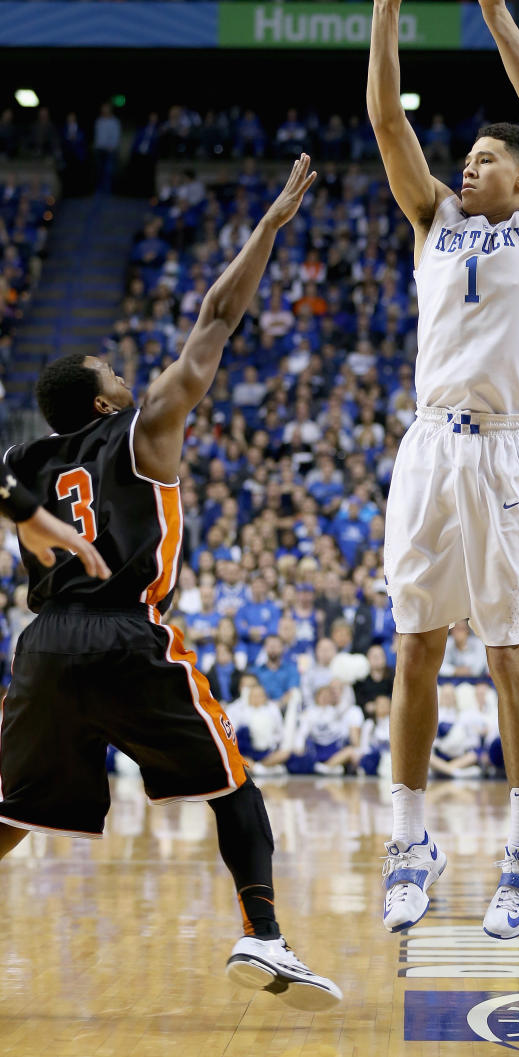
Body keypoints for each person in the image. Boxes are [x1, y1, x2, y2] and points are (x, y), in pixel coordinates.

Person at [0, 155, 342, 1011]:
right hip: (125, 632)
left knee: (12, 810)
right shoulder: (144, 428)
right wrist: (268, 226)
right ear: (108, 402)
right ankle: (264, 936)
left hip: (40, 646)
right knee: (235, 784)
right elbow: (217, 317)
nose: (126, 373)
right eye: (112, 370)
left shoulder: (23, 461)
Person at [367, 0, 519, 939]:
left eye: (489, 156)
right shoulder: (433, 221)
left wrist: (497, 16)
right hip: (427, 448)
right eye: (470, 153)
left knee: (507, 661)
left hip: (503, 448)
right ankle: (410, 839)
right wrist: (385, 10)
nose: (472, 159)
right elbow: (385, 124)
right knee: (414, 647)